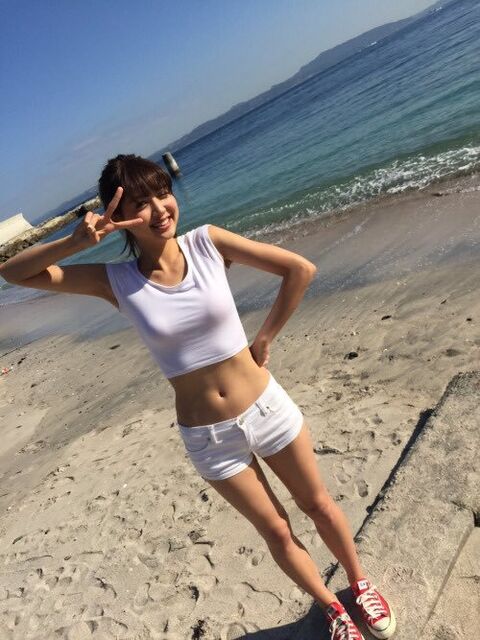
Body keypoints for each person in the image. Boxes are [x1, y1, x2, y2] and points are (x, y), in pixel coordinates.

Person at [0, 154, 395, 640]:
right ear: (118, 216)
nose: (160, 209)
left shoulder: (207, 242)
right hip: (209, 438)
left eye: (162, 193)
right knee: (275, 530)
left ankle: (360, 584)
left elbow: (299, 269)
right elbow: (13, 273)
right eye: (140, 203)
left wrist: (265, 338)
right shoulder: (114, 281)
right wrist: (75, 243)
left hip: (267, 408)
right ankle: (332, 608)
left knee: (317, 504)